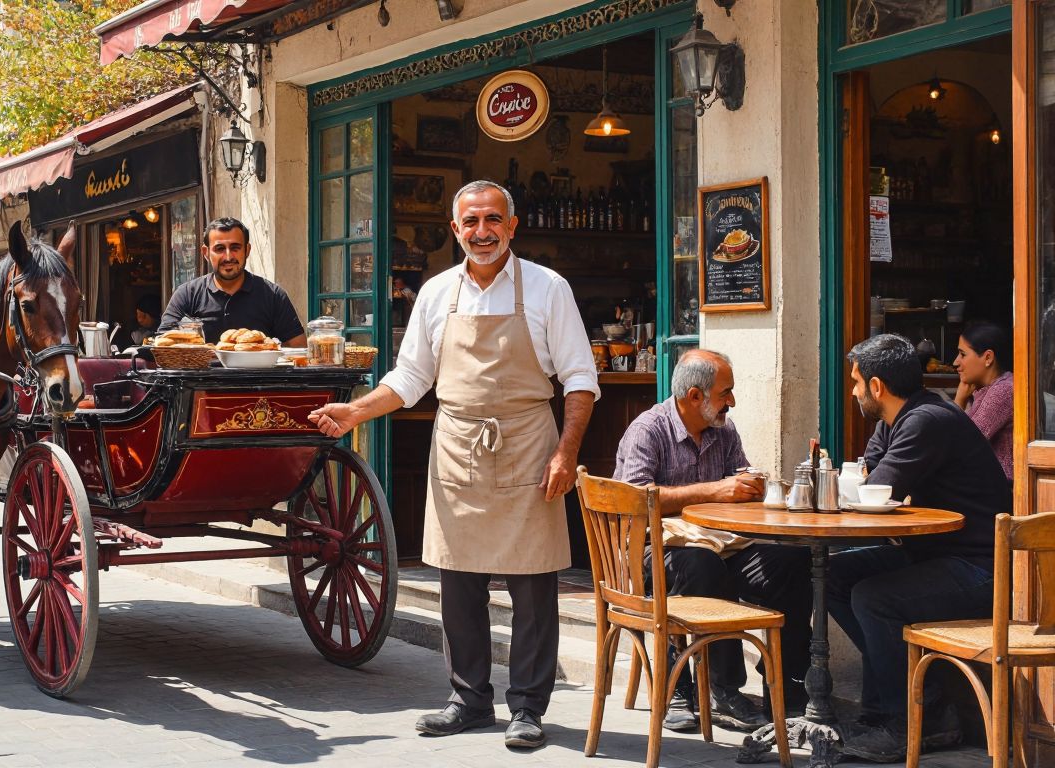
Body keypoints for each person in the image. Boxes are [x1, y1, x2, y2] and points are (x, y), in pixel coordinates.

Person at [308, 180, 598, 750]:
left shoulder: (547, 288)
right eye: (471, 222)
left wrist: (566, 452)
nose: (482, 232)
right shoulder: (437, 293)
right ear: (455, 229)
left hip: (528, 444)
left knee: (533, 584)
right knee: (457, 581)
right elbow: (411, 379)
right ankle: (468, 699)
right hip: (458, 443)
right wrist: (355, 413)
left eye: (493, 220)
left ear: (512, 226)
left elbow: (580, 379)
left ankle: (528, 708)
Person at [827, 334, 1009, 762]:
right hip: (935, 555)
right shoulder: (894, 420)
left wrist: (865, 487)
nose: (852, 392)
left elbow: (872, 489)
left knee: (873, 596)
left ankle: (914, 719)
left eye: (855, 383)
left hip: (979, 566)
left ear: (876, 387)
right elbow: (869, 477)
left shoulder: (928, 419)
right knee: (836, 577)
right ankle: (887, 710)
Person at [612, 350, 811, 732]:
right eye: (725, 394)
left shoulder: (724, 430)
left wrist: (751, 485)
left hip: (720, 544)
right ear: (694, 397)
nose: (732, 403)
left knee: (793, 562)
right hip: (653, 550)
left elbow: (736, 481)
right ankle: (701, 689)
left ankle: (788, 687)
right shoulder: (648, 430)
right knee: (701, 566)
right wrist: (715, 490)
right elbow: (637, 499)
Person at [157, 218, 308, 347]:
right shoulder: (187, 294)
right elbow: (163, 343)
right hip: (199, 380)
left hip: (257, 380)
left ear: (247, 250)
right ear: (206, 253)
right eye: (220, 249)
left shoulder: (273, 295)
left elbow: (298, 348)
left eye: (235, 248)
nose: (228, 257)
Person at [952, 321, 1013, 481]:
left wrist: (959, 401)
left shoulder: (1004, 390)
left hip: (1002, 490)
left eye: (963, 354)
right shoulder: (981, 389)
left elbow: (962, 445)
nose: (956, 362)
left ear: (988, 357)